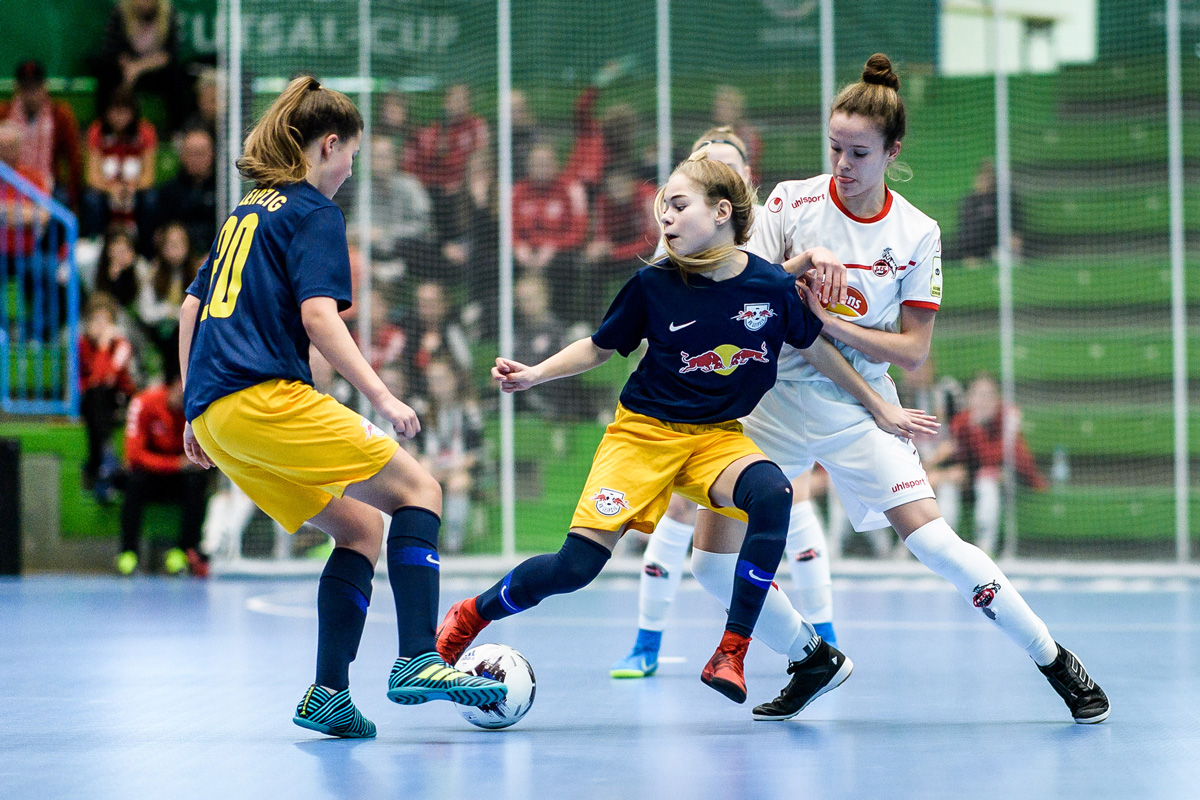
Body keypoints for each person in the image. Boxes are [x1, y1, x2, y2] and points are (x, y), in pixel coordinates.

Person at [436, 150, 934, 709]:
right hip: (642, 436)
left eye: (677, 206)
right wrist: (534, 374)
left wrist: (875, 402)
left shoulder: (770, 287)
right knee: (575, 568)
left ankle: (733, 650)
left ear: (722, 211)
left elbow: (815, 347)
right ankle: (469, 614)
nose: (664, 219)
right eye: (661, 210)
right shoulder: (652, 285)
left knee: (772, 492)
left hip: (716, 437)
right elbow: (599, 348)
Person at [694, 54, 1109, 724]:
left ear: (893, 151)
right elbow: (746, 291)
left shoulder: (915, 233)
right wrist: (798, 273)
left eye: (859, 152)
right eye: (834, 148)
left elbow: (914, 353)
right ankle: (812, 657)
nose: (843, 165)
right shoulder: (790, 202)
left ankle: (1054, 660)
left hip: (858, 404)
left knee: (936, 544)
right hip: (767, 405)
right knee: (710, 565)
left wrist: (828, 322)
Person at [178, 75, 505, 740]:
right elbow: (319, 315)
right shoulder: (314, 212)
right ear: (329, 146)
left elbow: (191, 307)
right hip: (266, 397)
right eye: (352, 156)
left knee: (360, 529)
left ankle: (329, 692)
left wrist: (192, 410)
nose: (352, 170)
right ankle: (418, 658)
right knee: (421, 488)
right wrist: (382, 395)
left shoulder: (246, 210)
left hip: (219, 412)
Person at [610, 127, 838, 681]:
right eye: (707, 163)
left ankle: (823, 638)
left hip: (767, 381)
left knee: (791, 499)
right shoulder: (680, 237)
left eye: (730, 166)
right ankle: (646, 641)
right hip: (698, 394)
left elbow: (764, 291)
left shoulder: (765, 228)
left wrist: (802, 262)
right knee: (684, 513)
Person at [118, 353, 209, 577]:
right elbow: (134, 455)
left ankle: (182, 551)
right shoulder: (143, 402)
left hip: (178, 479)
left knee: (198, 481)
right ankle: (128, 553)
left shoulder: (198, 410)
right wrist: (176, 464)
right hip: (150, 475)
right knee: (134, 481)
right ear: (174, 384)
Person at [949, 372, 1047, 555]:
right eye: (977, 395)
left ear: (997, 399)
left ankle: (985, 550)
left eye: (988, 396)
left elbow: (1019, 460)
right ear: (969, 398)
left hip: (1002, 483)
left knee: (987, 483)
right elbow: (958, 458)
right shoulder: (961, 422)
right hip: (968, 480)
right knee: (948, 486)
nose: (982, 401)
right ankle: (946, 551)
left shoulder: (1007, 419)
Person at [93, 0, 193, 134]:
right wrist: (129, 68)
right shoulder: (120, 11)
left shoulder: (169, 12)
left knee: (177, 77)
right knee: (106, 72)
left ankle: (178, 131)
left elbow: (170, 54)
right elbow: (113, 49)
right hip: (127, 69)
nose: (144, 3)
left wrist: (139, 68)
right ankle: (104, 130)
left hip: (154, 70)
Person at [0, 60, 83, 212]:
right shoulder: (4, 113)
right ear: (17, 88)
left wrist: (74, 196)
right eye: (26, 88)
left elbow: (74, 159)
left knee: (61, 199)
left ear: (44, 87)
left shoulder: (60, 115)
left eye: (35, 88)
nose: (31, 94)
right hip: (10, 182)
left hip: (49, 181)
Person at [78, 292, 139, 500]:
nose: (101, 326)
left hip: (119, 399)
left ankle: (100, 462)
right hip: (93, 401)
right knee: (95, 396)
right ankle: (106, 460)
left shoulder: (121, 344)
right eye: (96, 320)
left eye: (106, 321)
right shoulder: (82, 344)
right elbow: (91, 381)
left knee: (100, 393)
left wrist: (104, 346)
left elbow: (109, 377)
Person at [82, 87, 158, 241]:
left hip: (133, 189)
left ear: (133, 112)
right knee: (90, 198)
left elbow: (148, 176)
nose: (119, 117)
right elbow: (92, 177)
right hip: (107, 190)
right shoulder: (97, 131)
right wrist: (111, 189)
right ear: (107, 112)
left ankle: (147, 249)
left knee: (151, 199)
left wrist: (131, 187)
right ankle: (94, 243)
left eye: (124, 112)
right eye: (115, 111)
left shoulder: (146, 132)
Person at [154, 127, 217, 257]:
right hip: (179, 260)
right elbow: (160, 234)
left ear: (212, 154)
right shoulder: (168, 191)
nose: (195, 159)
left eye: (200, 153)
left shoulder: (222, 190)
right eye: (190, 153)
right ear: (182, 156)